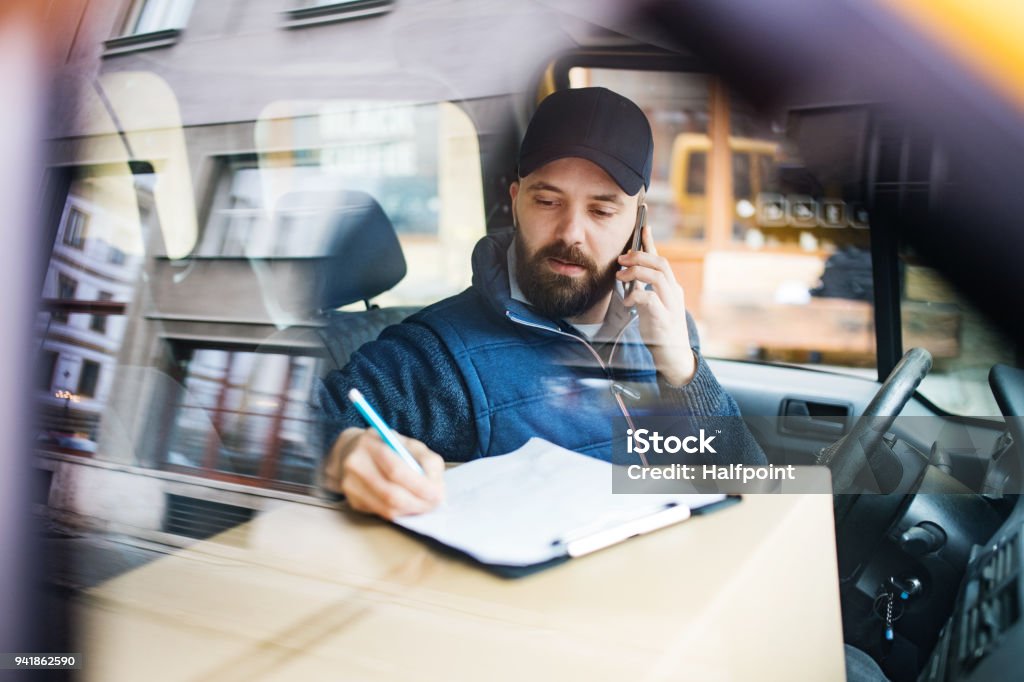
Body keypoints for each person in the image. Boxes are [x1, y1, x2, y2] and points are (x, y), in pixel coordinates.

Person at [318, 87, 766, 519]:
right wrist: (341, 454)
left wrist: (683, 370)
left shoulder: (664, 329)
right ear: (516, 203)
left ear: (639, 222)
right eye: (548, 201)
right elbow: (293, 427)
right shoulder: (437, 355)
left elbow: (751, 489)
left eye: (601, 211)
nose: (571, 231)